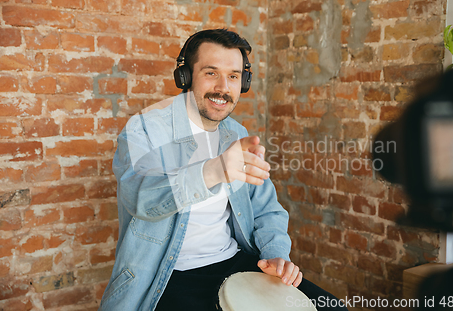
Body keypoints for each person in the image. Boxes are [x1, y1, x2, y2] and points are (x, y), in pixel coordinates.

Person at [99, 29, 346, 311]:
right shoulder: (143, 129)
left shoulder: (237, 134)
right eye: (210, 73)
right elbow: (140, 199)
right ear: (186, 77)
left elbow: (267, 210)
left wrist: (276, 255)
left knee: (332, 308)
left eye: (233, 76)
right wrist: (214, 170)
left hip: (232, 261)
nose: (223, 87)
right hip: (168, 274)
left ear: (244, 81)